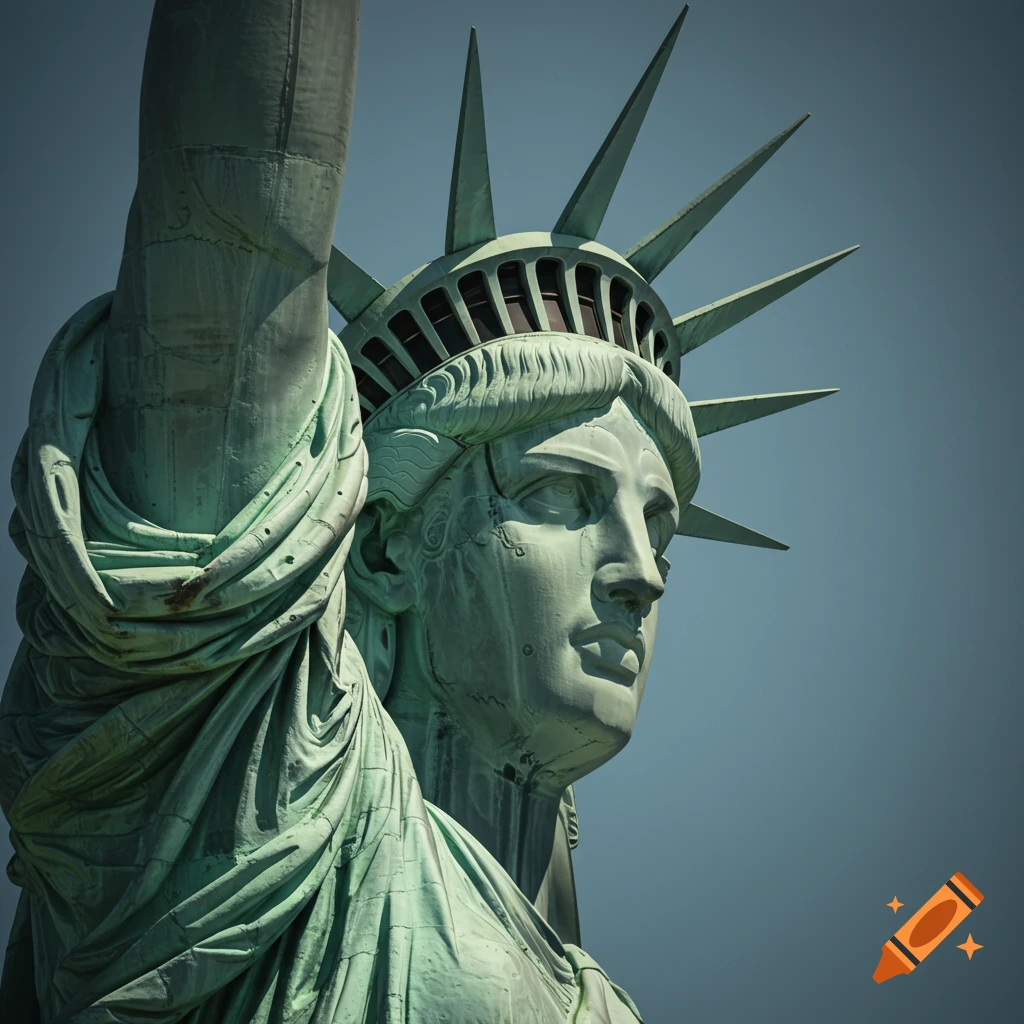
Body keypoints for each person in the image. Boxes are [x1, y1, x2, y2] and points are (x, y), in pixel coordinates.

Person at [0, 1, 850, 1020]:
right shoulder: (244, 794)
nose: (642, 570)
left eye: (657, 522)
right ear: (390, 546)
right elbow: (235, 220)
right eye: (561, 495)